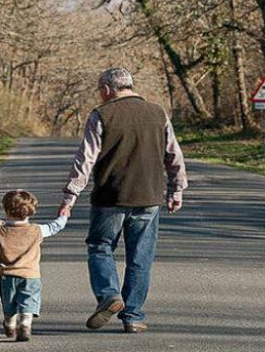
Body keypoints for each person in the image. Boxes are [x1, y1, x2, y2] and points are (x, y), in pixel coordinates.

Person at [57, 67, 188, 334]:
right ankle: (133, 316)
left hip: (110, 197)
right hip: (149, 197)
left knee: (100, 247)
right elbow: (174, 155)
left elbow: (86, 159)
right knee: (140, 257)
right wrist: (176, 191)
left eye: (99, 90)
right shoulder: (158, 113)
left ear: (107, 88)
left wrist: (70, 196)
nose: (100, 94)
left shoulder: (101, 114)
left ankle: (109, 295)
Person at [0, 190, 68, 342]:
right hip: (31, 275)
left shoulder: (1, 230)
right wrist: (64, 216)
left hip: (7, 276)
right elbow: (55, 227)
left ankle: (9, 324)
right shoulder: (37, 230)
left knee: (9, 304)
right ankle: (25, 324)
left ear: (7, 211)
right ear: (30, 211)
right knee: (28, 302)